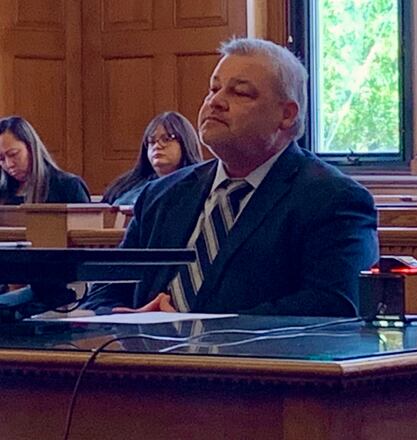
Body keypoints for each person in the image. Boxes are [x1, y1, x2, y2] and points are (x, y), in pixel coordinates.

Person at [81, 37, 379, 316]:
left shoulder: (332, 199)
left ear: (286, 115)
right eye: (213, 89)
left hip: (256, 368)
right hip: (146, 363)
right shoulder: (161, 196)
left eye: (240, 92)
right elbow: (103, 294)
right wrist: (127, 319)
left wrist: (197, 329)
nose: (216, 102)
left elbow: (335, 305)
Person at [102, 111, 203, 206]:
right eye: (152, 141)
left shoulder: (199, 187)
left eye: (166, 139)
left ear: (185, 143)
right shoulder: (127, 185)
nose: (157, 146)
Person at [0, 116, 90, 204]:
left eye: (13, 154)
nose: (9, 164)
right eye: (1, 159)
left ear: (31, 148)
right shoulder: (3, 191)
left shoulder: (69, 186)